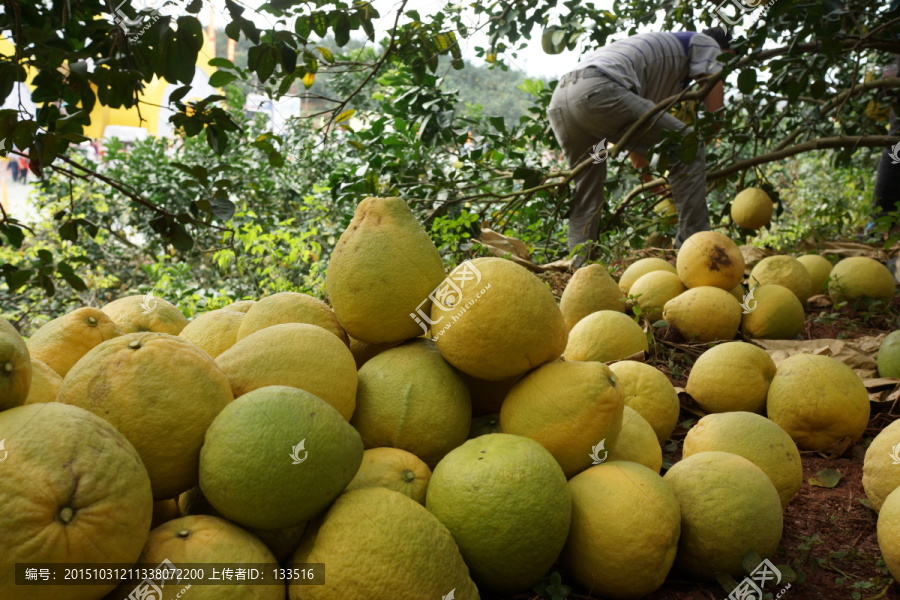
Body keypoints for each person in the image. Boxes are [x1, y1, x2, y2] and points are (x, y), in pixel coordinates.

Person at [548, 27, 732, 263]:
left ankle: (578, 265)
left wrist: (655, 187)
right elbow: (716, 115)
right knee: (687, 143)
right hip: (599, 93)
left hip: (565, 104)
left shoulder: (658, 71)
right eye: (728, 59)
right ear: (725, 50)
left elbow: (636, 138)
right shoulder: (706, 43)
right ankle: (696, 252)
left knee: (588, 184)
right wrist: (697, 149)